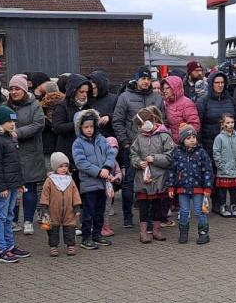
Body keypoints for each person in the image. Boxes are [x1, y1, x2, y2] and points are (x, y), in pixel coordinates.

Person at [112, 68, 164, 228]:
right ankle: (128, 216)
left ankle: (149, 218)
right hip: (133, 147)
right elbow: (118, 121)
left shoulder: (157, 97)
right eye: (142, 78)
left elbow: (163, 120)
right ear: (136, 80)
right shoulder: (125, 97)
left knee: (151, 183)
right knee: (129, 182)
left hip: (153, 148)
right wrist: (125, 143)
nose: (146, 82)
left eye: (148, 79)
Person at [0, 76, 46, 236]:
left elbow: (39, 124)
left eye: (17, 88)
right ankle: (12, 220)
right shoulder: (5, 106)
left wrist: (17, 133)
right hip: (10, 153)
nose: (14, 92)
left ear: (24, 90)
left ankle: (28, 220)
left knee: (29, 187)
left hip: (30, 153)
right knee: (12, 187)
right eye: (11, 89)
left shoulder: (35, 105)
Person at [0, 104, 29, 264]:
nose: (12, 125)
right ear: (1, 122)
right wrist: (0, 186)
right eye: (9, 122)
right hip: (3, 187)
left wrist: (19, 183)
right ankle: (1, 250)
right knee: (1, 217)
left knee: (9, 216)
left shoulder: (10, 137)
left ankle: (10, 246)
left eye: (14, 122)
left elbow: (15, 164)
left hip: (12, 185)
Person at [71, 108, 116, 251]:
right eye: (86, 127)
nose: (89, 130)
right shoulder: (78, 143)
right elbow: (81, 163)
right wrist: (98, 172)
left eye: (91, 126)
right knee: (88, 212)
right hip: (89, 183)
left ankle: (97, 234)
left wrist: (107, 168)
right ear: (80, 128)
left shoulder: (101, 139)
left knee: (100, 210)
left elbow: (110, 153)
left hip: (103, 182)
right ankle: (86, 238)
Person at [129, 106, 175, 243]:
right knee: (143, 206)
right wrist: (138, 162)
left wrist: (154, 158)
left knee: (157, 206)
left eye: (141, 125)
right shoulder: (139, 138)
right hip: (143, 179)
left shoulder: (164, 136)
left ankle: (156, 230)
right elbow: (133, 154)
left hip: (158, 179)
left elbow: (170, 156)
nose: (140, 128)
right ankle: (143, 232)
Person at [168, 125, 213, 244]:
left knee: (200, 210)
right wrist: (171, 186)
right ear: (182, 140)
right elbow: (172, 170)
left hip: (198, 188)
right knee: (183, 211)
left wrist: (207, 187)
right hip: (182, 188)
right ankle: (183, 233)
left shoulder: (202, 152)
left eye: (194, 137)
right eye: (188, 138)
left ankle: (203, 234)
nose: (192, 139)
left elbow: (208, 170)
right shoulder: (177, 153)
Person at [37, 153, 82, 257]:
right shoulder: (50, 180)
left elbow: (75, 194)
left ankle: (71, 245)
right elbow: (45, 195)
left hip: (69, 210)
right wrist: (44, 208)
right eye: (61, 166)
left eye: (66, 166)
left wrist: (77, 207)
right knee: (53, 229)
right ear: (55, 167)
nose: (64, 169)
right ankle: (53, 246)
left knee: (70, 228)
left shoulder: (70, 180)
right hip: (53, 210)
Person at [51, 74, 95, 165]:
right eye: (81, 92)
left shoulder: (88, 107)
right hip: (67, 153)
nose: (84, 95)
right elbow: (57, 128)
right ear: (73, 91)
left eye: (86, 92)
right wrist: (78, 123)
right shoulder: (62, 106)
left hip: (85, 153)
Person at [212, 113, 236, 218]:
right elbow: (216, 153)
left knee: (235, 191)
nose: (230, 125)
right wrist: (221, 166)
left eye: (232, 122)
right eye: (228, 123)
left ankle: (234, 207)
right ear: (222, 124)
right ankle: (222, 207)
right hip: (223, 171)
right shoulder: (219, 138)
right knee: (222, 192)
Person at [196, 71, 236, 158]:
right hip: (209, 145)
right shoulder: (203, 101)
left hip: (229, 143)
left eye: (222, 82)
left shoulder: (231, 100)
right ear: (211, 84)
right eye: (217, 82)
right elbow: (199, 125)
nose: (220, 85)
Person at [161, 75, 200, 143]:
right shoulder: (166, 103)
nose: (164, 91)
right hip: (169, 143)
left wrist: (183, 139)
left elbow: (195, 125)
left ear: (175, 88)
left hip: (183, 144)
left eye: (167, 88)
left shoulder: (187, 103)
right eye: (163, 88)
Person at [88, 71, 117, 137]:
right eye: (90, 88)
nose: (92, 91)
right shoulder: (87, 99)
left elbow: (121, 116)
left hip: (109, 139)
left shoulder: (114, 99)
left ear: (101, 86)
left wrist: (109, 117)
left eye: (94, 88)